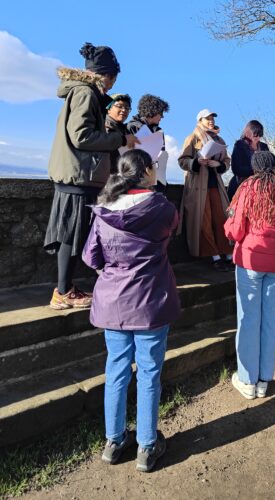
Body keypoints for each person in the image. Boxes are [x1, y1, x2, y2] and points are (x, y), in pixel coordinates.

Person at [82, 149, 180, 473]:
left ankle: (114, 440)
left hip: (114, 305)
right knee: (150, 373)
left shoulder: (102, 210)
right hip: (151, 301)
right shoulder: (162, 208)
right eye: (153, 166)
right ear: (147, 172)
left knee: (117, 372)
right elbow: (172, 229)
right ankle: (147, 447)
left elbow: (91, 257)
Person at [45, 42, 138, 310]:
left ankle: (66, 288)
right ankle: (62, 291)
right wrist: (119, 138)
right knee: (69, 235)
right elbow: (81, 135)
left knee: (71, 234)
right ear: (103, 74)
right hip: (77, 175)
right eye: (112, 77)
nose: (112, 83)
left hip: (76, 173)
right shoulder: (85, 93)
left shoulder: (83, 92)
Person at [225, 151, 275, 400]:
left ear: (255, 168)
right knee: (270, 320)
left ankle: (248, 380)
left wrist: (227, 226)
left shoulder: (247, 189)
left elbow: (236, 230)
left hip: (250, 261)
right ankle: (264, 379)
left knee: (248, 320)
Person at [178, 109, 232, 271]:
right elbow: (182, 161)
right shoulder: (192, 137)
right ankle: (215, 256)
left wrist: (219, 165)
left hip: (216, 184)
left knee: (222, 218)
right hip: (198, 187)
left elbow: (227, 161)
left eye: (212, 118)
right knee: (204, 221)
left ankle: (227, 252)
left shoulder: (219, 139)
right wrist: (196, 162)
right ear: (199, 121)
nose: (211, 121)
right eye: (207, 119)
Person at [127, 95, 170, 191]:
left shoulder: (159, 131)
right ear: (152, 111)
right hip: (138, 180)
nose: (162, 116)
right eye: (161, 113)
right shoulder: (132, 127)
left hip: (156, 178)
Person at [227, 120, 270, 200]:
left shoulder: (264, 146)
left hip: (262, 184)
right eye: (255, 135)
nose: (258, 138)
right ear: (248, 134)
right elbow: (236, 169)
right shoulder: (239, 145)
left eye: (260, 135)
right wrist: (255, 171)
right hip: (242, 184)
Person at [105, 93, 132, 173]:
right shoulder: (105, 124)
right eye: (119, 106)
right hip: (106, 175)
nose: (124, 110)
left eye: (127, 108)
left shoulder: (124, 129)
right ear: (108, 109)